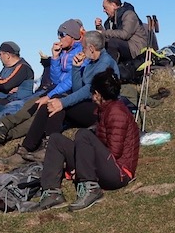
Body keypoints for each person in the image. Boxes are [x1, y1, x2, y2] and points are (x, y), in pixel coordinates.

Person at [23, 70, 139, 213]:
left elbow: (114, 152)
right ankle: (52, 193)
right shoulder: (103, 110)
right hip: (105, 164)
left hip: (119, 173)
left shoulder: (117, 112)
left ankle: (90, 188)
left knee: (83, 135)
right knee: (56, 140)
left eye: (93, 93)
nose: (92, 98)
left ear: (98, 94)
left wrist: (83, 164)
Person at [15, 27, 118, 161]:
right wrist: (76, 67)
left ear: (91, 48)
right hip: (91, 104)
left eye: (83, 48)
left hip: (103, 110)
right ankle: (27, 147)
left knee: (59, 104)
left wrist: (63, 103)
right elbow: (77, 88)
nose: (82, 51)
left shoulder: (104, 63)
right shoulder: (92, 62)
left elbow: (89, 90)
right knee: (52, 102)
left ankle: (50, 147)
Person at [0, 42, 36, 118]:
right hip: (5, 99)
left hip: (15, 103)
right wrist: (4, 87)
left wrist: (2, 85)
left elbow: (6, 85)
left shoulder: (23, 67)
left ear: (7, 55)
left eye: (0, 54)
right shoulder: (6, 67)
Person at [97, 0, 152, 67]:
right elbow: (109, 35)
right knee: (104, 45)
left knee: (113, 43)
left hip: (136, 48)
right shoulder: (112, 20)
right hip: (126, 46)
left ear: (113, 5)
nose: (103, 10)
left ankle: (110, 69)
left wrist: (103, 33)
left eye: (105, 7)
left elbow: (125, 34)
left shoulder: (129, 15)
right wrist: (99, 28)